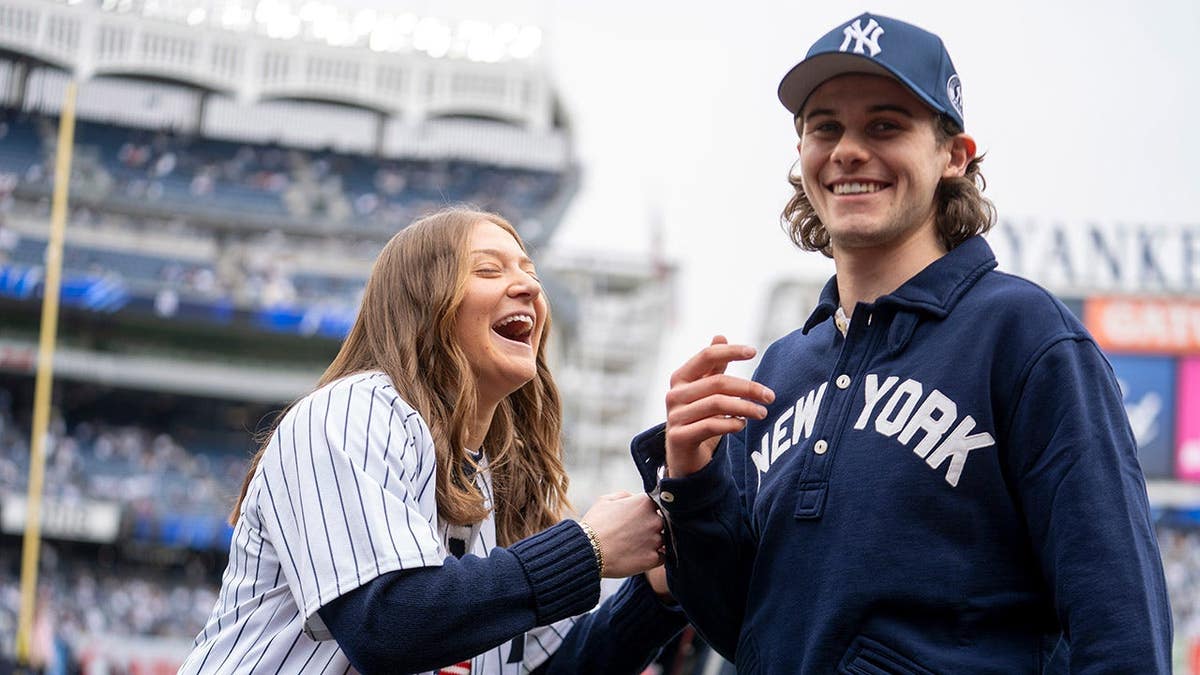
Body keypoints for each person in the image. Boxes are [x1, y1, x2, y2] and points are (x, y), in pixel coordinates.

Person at [631, 12, 1172, 673]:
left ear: (954, 155)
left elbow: (1121, 625)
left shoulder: (1026, 336)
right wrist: (694, 484)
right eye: (825, 127)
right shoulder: (780, 369)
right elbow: (743, 627)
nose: (848, 150)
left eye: (884, 125)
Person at [181, 208, 685, 674]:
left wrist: (654, 595)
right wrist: (587, 548)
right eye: (488, 270)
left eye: (530, 272)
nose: (530, 286)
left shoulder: (497, 478)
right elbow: (385, 625)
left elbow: (548, 669)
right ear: (422, 303)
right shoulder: (352, 410)